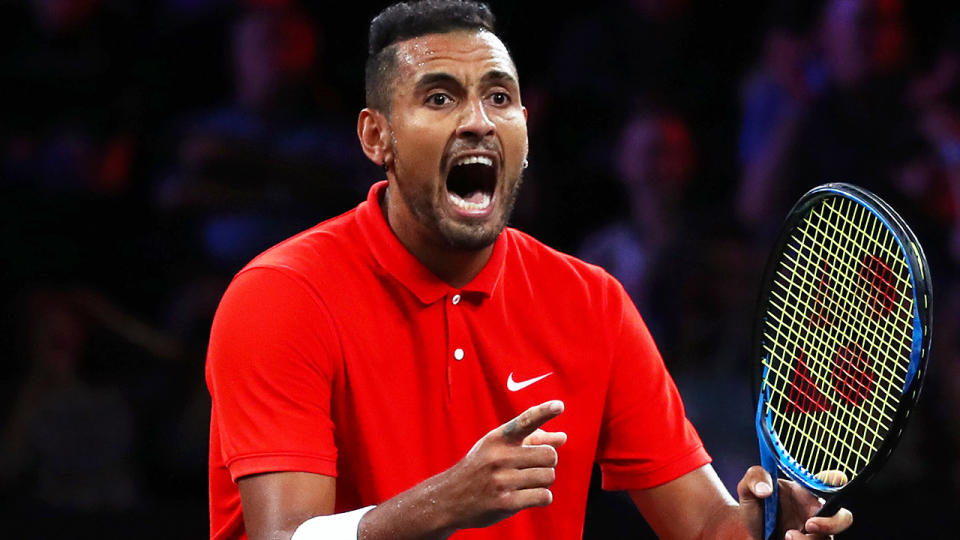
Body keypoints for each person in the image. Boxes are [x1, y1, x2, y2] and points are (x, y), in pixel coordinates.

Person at [205, 2, 854, 539]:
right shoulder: (285, 295)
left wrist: (764, 528)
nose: (479, 122)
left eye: (499, 98)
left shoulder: (589, 302)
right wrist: (441, 504)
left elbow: (705, 525)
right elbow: (281, 536)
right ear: (377, 138)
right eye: (439, 97)